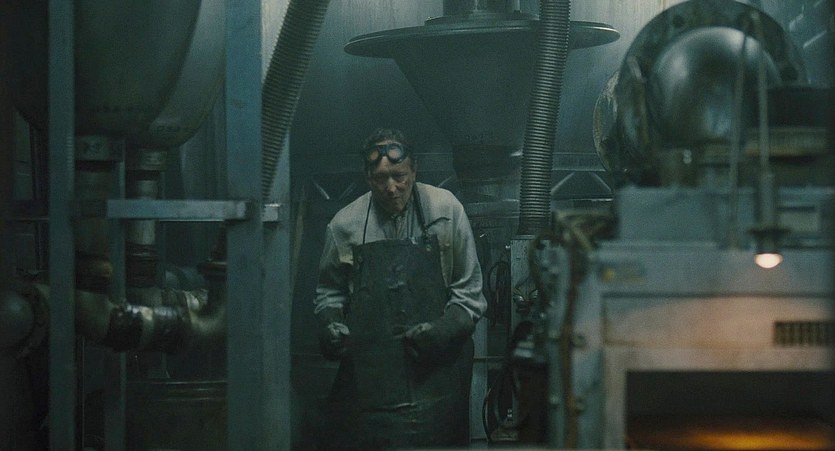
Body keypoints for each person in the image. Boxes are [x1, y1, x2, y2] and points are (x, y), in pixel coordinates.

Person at [313, 127, 487, 449]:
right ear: (368, 177)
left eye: (399, 176)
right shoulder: (344, 225)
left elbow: (470, 293)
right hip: (374, 373)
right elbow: (329, 293)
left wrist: (444, 330)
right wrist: (331, 324)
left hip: (440, 368)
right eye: (381, 179)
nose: (391, 188)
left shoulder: (446, 210)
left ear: (414, 170)